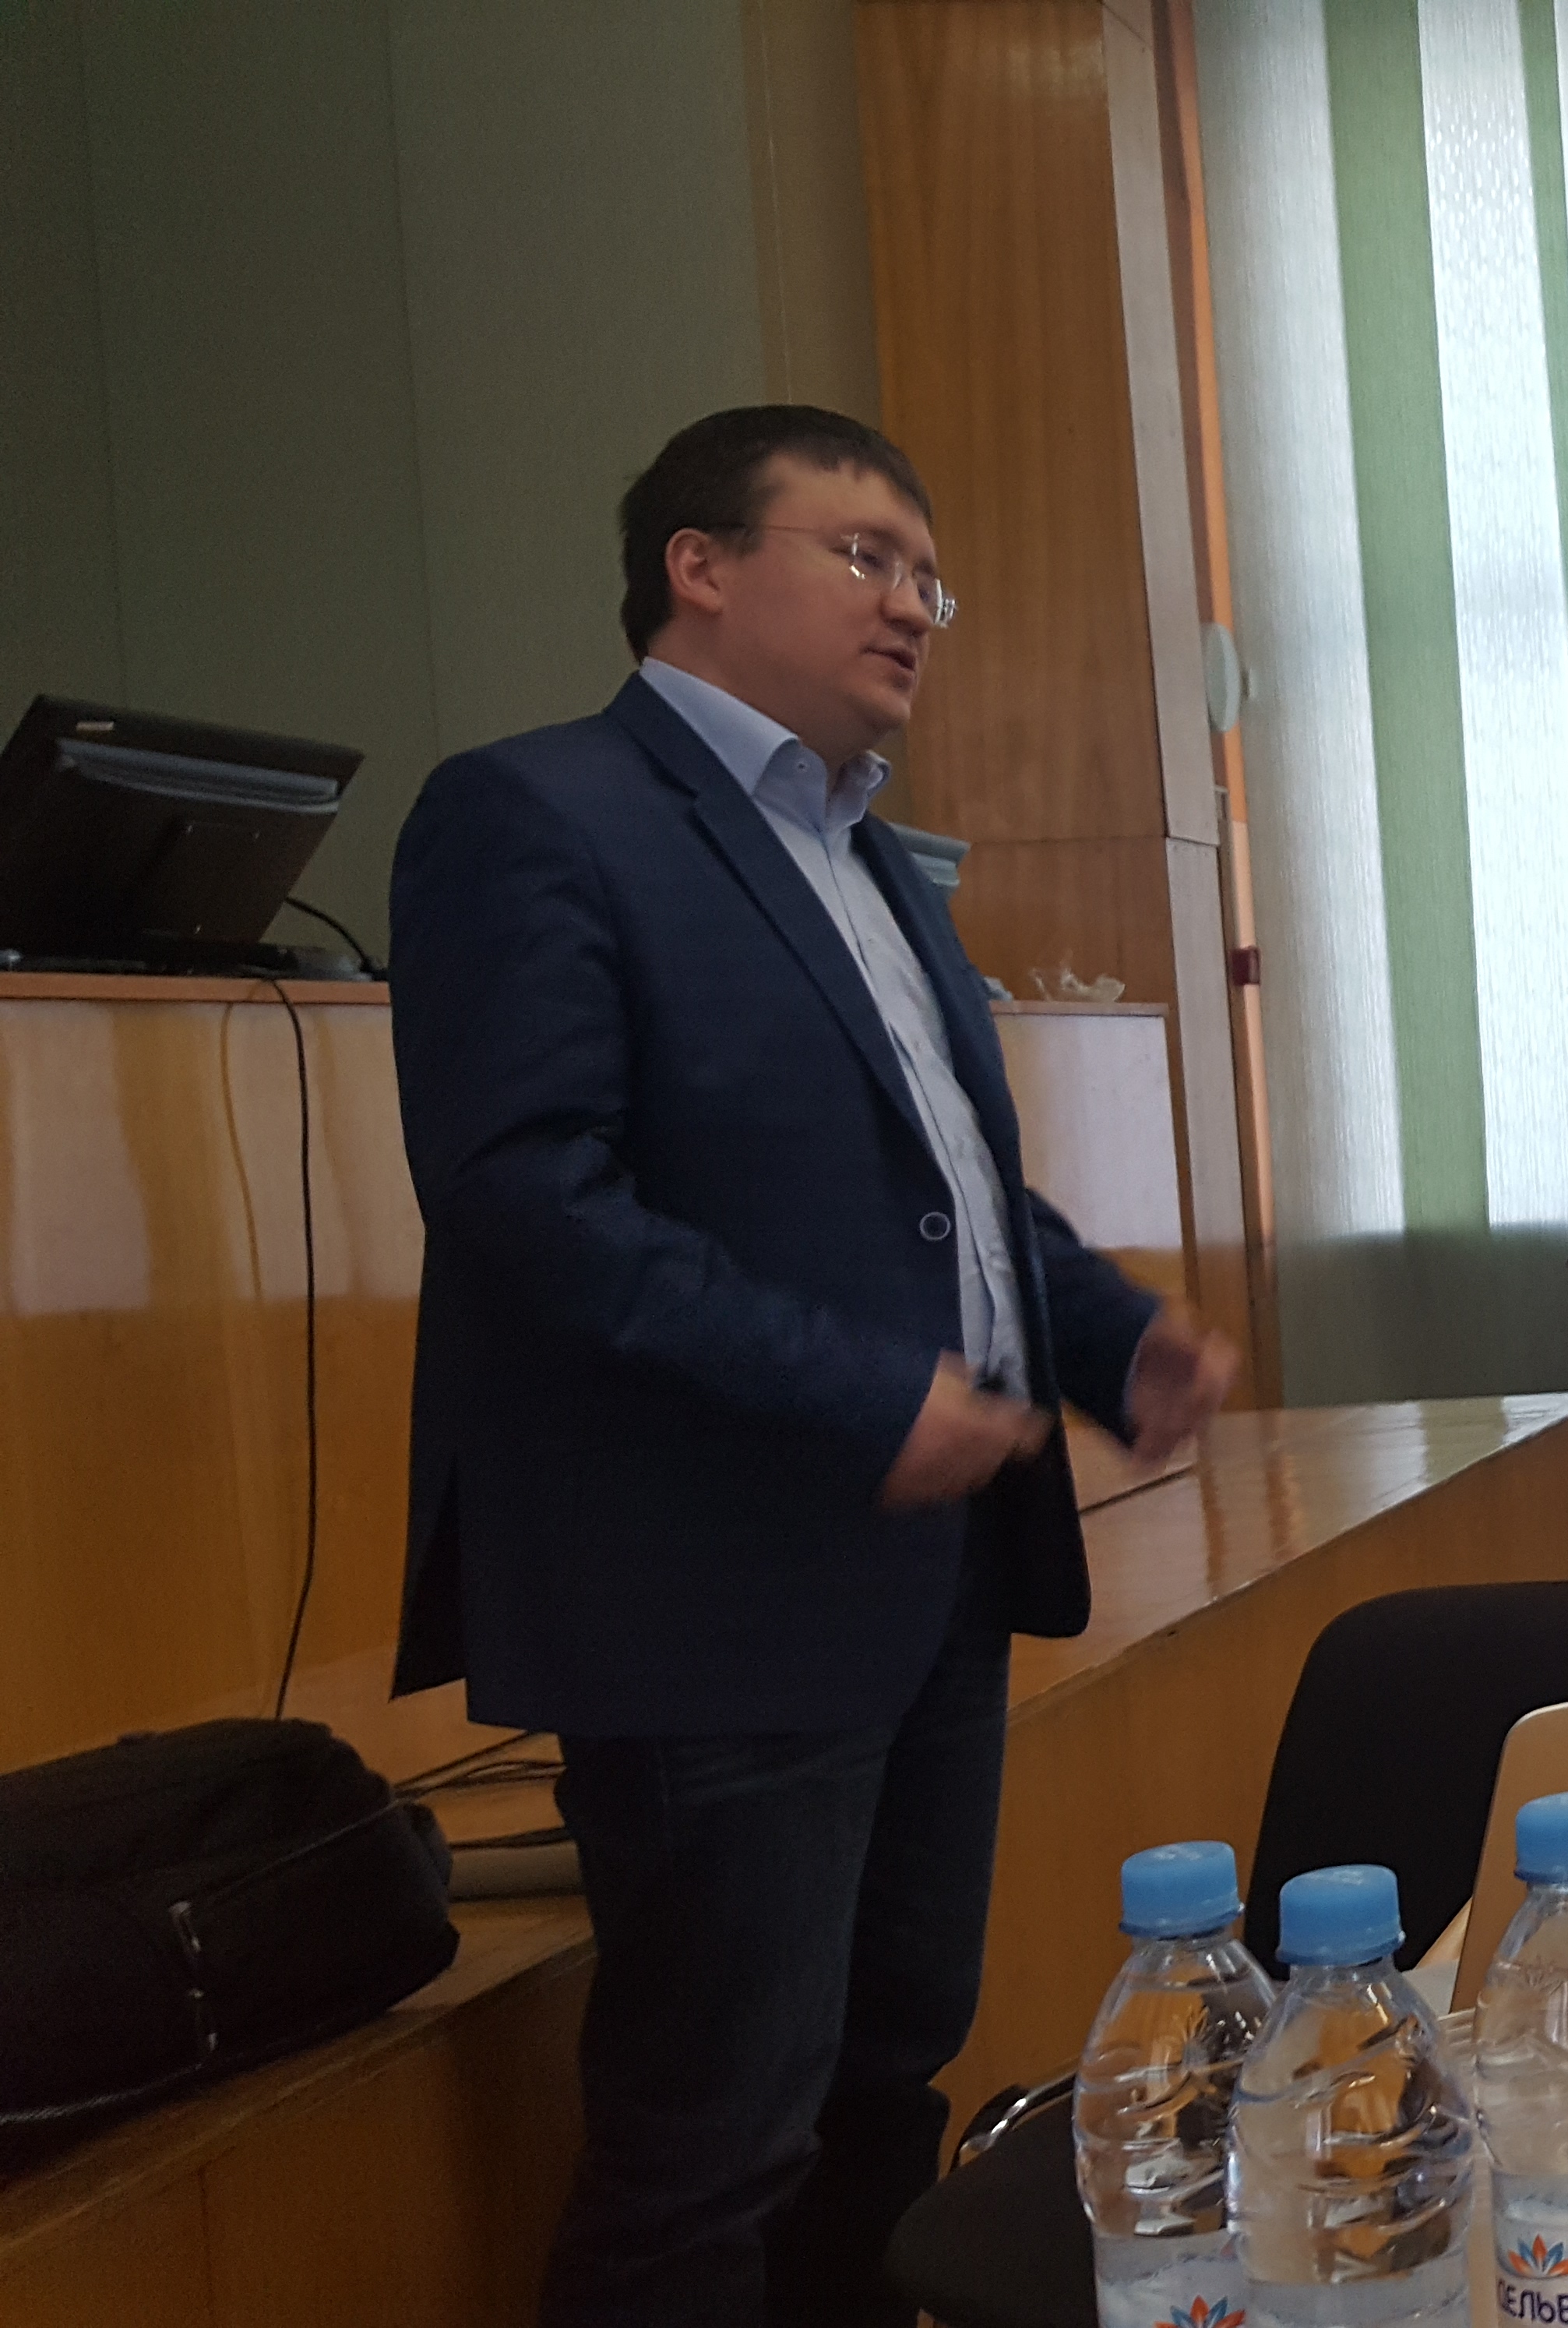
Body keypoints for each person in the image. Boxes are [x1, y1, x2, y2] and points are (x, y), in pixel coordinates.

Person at [387, 404, 1240, 2328]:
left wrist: (1111, 1335)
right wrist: (856, 1393)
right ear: (697, 566)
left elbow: (951, 1191)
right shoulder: (535, 813)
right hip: (711, 1588)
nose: (913, 604)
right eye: (864, 555)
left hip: (928, 1574)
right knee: (711, 2143)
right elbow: (526, 1197)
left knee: (885, 2076)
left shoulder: (869, 855)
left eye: (927, 574)